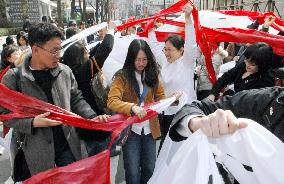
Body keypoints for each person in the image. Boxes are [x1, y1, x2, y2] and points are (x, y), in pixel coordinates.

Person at [0, 23, 108, 182]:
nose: (59, 55)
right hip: (36, 152)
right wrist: (32, 122)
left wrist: (91, 118)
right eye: (54, 50)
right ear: (35, 49)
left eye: (60, 49)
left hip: (68, 145)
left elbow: (76, 99)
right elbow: (5, 113)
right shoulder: (14, 78)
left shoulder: (64, 71)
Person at [107, 38, 169, 184]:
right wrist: (131, 107)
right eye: (137, 59)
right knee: (132, 172)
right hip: (131, 131)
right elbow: (112, 101)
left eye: (144, 59)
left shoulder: (153, 74)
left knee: (149, 169)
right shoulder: (122, 76)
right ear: (131, 58)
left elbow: (160, 97)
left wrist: (171, 100)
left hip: (150, 130)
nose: (141, 63)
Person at [147, 4, 197, 151]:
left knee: (179, 151)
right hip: (165, 113)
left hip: (183, 114)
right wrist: (150, 28)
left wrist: (188, 18)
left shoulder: (187, 62)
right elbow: (154, 48)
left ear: (181, 50)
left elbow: (191, 43)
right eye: (165, 49)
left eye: (170, 50)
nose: (166, 53)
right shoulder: (164, 61)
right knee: (164, 151)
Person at [62, 22, 114, 156]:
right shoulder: (82, 72)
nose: (88, 53)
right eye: (85, 51)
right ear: (78, 56)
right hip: (95, 125)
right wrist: (111, 31)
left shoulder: (68, 69)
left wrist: (103, 37)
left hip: (82, 127)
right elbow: (106, 49)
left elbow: (94, 54)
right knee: (99, 161)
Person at [207, 43, 275, 101]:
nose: (247, 64)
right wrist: (213, 94)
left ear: (262, 65)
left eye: (252, 64)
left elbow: (250, 102)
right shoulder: (243, 66)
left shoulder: (266, 81)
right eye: (246, 60)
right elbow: (225, 77)